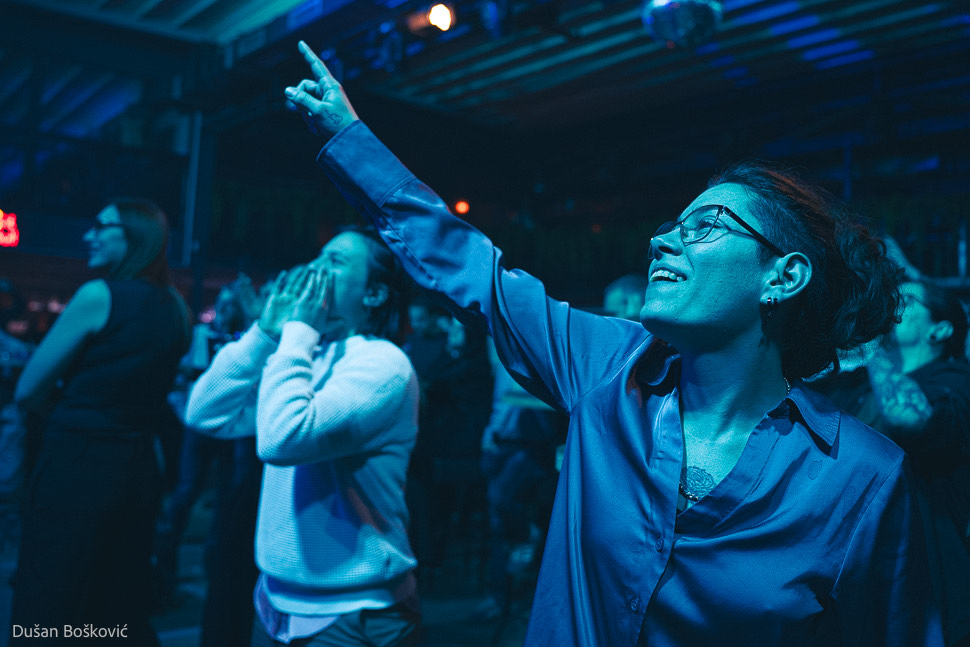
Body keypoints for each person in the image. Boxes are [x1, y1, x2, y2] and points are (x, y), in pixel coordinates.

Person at [284, 41, 943, 645]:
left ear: (782, 276)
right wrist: (349, 138)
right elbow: (475, 271)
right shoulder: (609, 366)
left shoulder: (861, 478)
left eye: (706, 225)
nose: (662, 241)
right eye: (671, 225)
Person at [184, 227, 421, 647]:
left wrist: (296, 334)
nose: (315, 268)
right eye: (319, 255)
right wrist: (263, 334)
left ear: (373, 294)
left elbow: (281, 441)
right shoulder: (306, 354)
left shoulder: (385, 365)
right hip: (275, 602)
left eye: (335, 261)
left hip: (352, 613)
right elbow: (205, 413)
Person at [12, 199, 191, 645]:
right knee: (116, 598)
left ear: (134, 236)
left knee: (51, 595)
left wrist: (71, 412)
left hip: (77, 463)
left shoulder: (99, 295)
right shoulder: (176, 307)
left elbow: (27, 391)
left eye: (101, 226)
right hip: (137, 468)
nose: (88, 235)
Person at [816, 279, 970, 645]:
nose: (892, 304)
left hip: (927, 589)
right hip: (857, 576)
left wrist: (872, 342)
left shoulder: (955, 379)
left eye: (907, 299)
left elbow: (907, 417)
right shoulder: (857, 384)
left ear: (940, 330)